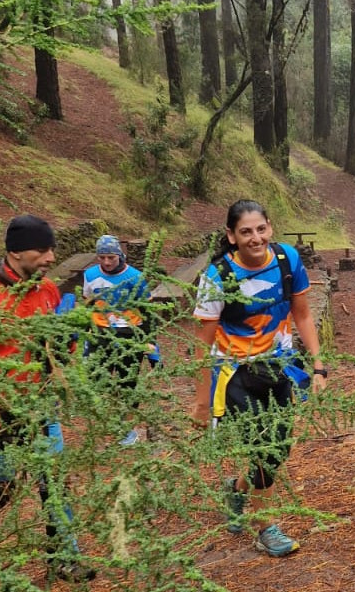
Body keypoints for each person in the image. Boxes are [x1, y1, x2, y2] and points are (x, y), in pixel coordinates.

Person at [0, 213, 96, 582]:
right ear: (16, 253)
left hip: (39, 406)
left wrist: (69, 332)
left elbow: (54, 350)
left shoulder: (46, 290)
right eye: (42, 250)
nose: (51, 258)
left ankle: (64, 555)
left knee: (55, 483)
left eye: (52, 249)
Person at [191, 199, 328, 557]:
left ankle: (237, 490)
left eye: (261, 229)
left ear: (270, 227)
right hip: (235, 372)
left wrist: (318, 366)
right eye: (246, 232)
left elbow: (304, 317)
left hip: (278, 368)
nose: (255, 238)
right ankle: (265, 526)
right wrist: (202, 403)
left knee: (278, 448)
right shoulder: (217, 277)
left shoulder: (287, 261)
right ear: (231, 236)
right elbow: (201, 346)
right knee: (263, 447)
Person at [81, 234, 158, 446]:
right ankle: (106, 423)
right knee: (98, 380)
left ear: (120, 256)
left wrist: (150, 341)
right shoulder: (90, 275)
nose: (106, 262)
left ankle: (128, 429)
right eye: (102, 257)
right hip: (100, 332)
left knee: (127, 381)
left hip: (129, 332)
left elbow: (148, 311)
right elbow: (87, 303)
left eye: (111, 258)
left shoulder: (135, 277)